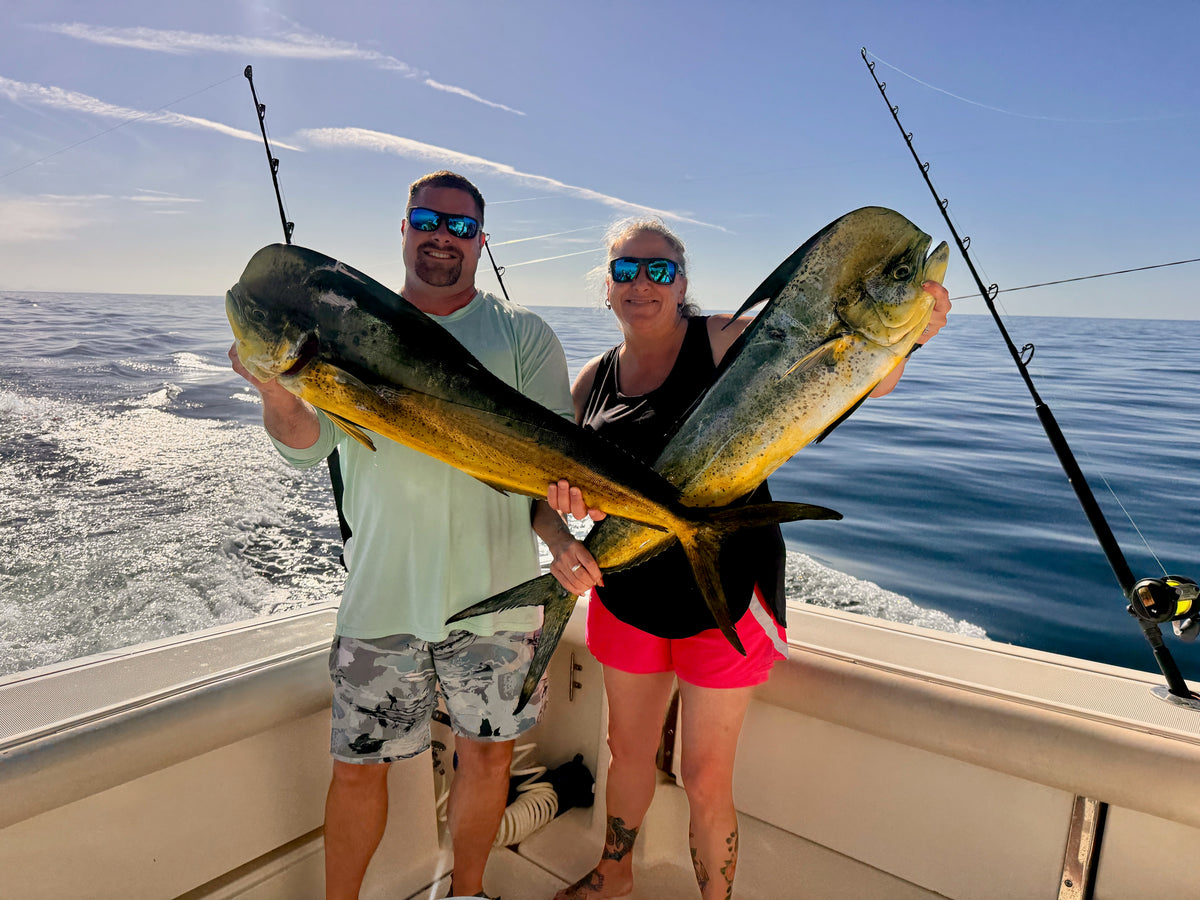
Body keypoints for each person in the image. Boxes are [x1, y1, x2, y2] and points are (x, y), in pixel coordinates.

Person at [545, 217, 951, 900]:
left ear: (683, 284)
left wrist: (908, 337)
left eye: (660, 270)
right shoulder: (593, 380)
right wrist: (567, 520)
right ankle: (613, 874)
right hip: (628, 592)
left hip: (728, 593)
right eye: (625, 271)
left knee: (706, 777)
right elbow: (559, 484)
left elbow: (853, 377)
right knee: (627, 752)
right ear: (606, 289)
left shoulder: (728, 338)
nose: (641, 283)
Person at [228, 171, 584, 900]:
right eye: (428, 219)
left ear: (482, 240)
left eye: (460, 226)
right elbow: (302, 446)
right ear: (403, 227)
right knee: (358, 767)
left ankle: (468, 893)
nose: (442, 237)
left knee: (488, 760)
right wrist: (274, 387)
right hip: (382, 594)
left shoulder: (522, 336)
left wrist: (562, 535)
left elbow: (547, 471)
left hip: (497, 601)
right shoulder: (342, 333)